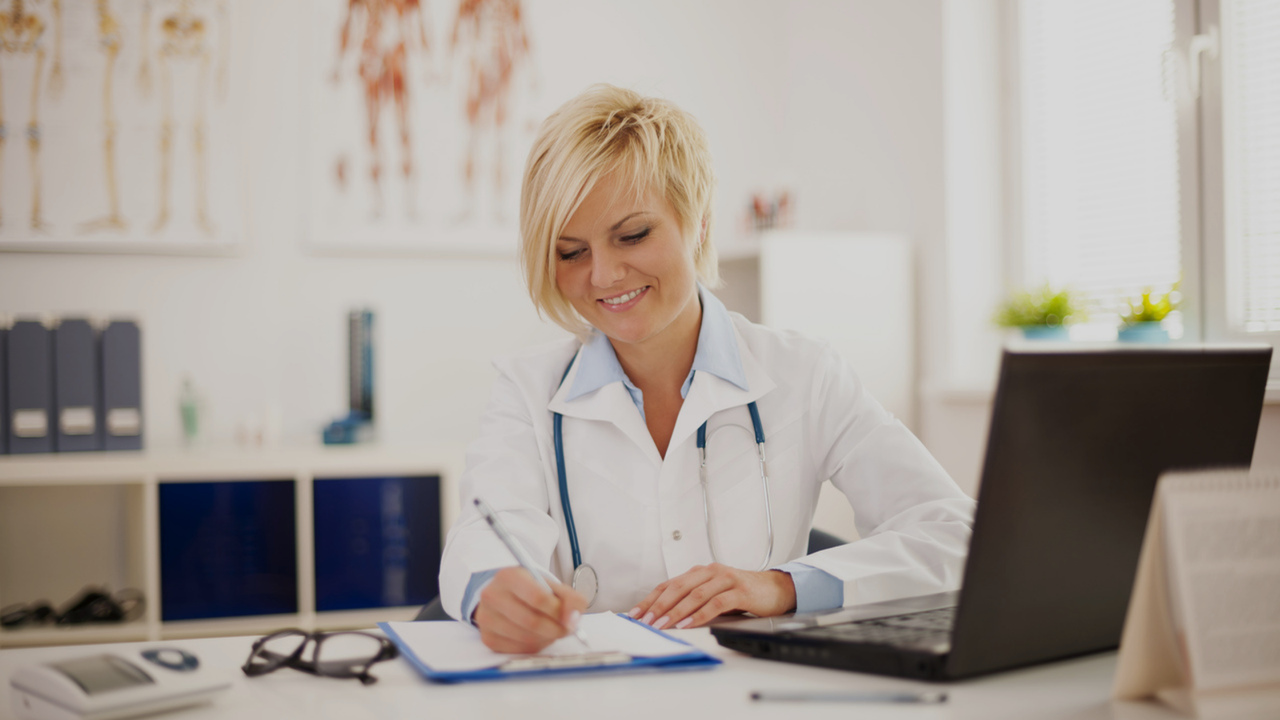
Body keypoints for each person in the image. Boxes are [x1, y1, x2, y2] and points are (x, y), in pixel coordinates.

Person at [438, 84, 976, 654]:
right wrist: (493, 590)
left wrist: (785, 587)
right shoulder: (527, 391)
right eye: (572, 252)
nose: (603, 275)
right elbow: (485, 535)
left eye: (633, 235)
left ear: (696, 222)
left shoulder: (805, 373)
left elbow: (954, 534)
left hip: (752, 690)